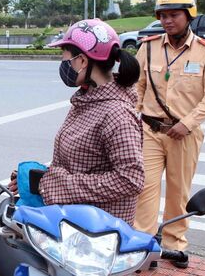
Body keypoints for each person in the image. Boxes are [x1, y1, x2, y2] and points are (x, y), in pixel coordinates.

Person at [9, 19, 145, 225]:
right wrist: (39, 178)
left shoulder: (117, 114)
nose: (64, 65)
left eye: (66, 59)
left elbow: (130, 180)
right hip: (74, 220)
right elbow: (79, 163)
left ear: (82, 61)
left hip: (98, 231)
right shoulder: (87, 101)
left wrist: (57, 184)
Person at [133, 0, 205, 268]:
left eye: (174, 15)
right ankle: (143, 246)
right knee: (144, 189)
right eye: (163, 15)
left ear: (189, 16)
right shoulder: (148, 47)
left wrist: (187, 123)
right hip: (149, 130)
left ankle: (174, 245)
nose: (167, 21)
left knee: (178, 191)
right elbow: (138, 86)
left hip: (184, 134)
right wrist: (133, 117)